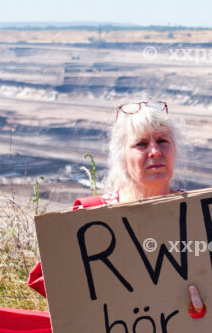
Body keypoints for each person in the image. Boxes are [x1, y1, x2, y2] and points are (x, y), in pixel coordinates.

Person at [28, 100, 193, 300]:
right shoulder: (91, 216)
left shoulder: (199, 212)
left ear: (175, 149)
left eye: (162, 141)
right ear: (122, 158)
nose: (155, 151)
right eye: (141, 144)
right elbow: (63, 295)